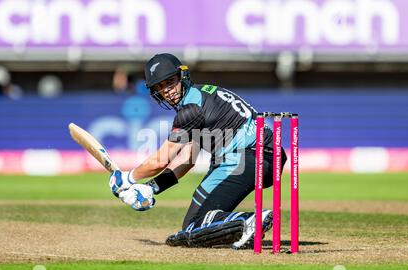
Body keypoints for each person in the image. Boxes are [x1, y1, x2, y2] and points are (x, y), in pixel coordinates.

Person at [109, 53, 287, 249]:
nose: (167, 91)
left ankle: (248, 220)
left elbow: (161, 160)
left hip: (245, 158)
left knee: (196, 228)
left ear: (182, 76)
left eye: (170, 82)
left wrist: (128, 179)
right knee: (191, 228)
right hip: (265, 157)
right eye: (160, 87)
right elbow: (188, 158)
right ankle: (242, 226)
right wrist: (151, 187)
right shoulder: (201, 96)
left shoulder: (191, 109)